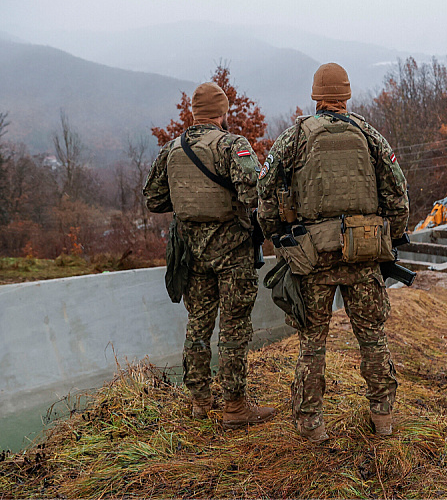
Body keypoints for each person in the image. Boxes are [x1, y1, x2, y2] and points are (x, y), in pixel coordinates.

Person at [257, 63, 409, 442]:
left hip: (313, 260)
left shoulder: (294, 137)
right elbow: (398, 197)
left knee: (312, 347)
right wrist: (388, 242)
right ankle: (383, 419)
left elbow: (265, 195)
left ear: (316, 97)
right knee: (372, 337)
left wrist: (281, 239)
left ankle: (311, 426)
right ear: (346, 96)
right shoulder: (371, 136)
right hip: (364, 255)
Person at [143, 82, 276, 428]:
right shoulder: (233, 145)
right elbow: (254, 194)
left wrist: (190, 202)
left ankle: (199, 401)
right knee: (234, 328)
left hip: (191, 254)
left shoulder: (172, 149)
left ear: (193, 112)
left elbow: (154, 200)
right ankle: (234, 407)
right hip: (233, 252)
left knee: (198, 325)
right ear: (223, 112)